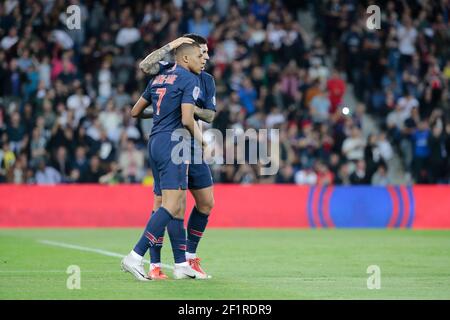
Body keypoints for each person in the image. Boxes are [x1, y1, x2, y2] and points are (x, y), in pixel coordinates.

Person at [121, 41, 207, 280]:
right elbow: (188, 120)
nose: (203, 60)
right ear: (186, 59)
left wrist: (162, 112)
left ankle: (180, 266)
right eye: (200, 55)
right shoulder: (189, 79)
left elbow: (135, 111)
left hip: (155, 141)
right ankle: (135, 256)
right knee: (170, 205)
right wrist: (204, 142)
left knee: (170, 204)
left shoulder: (159, 77)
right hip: (173, 144)